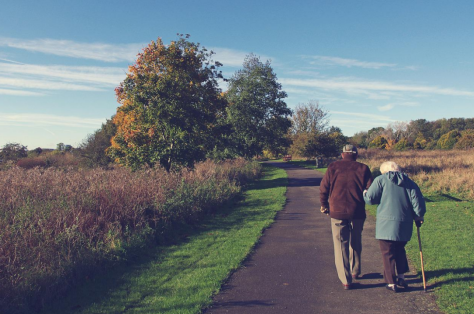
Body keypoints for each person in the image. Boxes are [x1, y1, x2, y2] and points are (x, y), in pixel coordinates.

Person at [363, 161, 426, 292]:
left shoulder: (380, 180)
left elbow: (370, 199)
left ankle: (391, 282)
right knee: (400, 249)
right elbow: (418, 204)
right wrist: (418, 216)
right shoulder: (410, 182)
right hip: (405, 223)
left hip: (386, 224)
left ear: (384, 171)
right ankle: (401, 276)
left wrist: (364, 193)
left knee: (388, 252)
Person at [319, 144, 373, 290]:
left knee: (340, 244)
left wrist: (324, 204)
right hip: (357, 211)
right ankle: (355, 270)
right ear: (356, 155)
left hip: (337, 211)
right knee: (356, 241)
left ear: (343, 154)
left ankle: (346, 279)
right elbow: (370, 189)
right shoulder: (363, 168)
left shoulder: (333, 167)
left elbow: (324, 187)